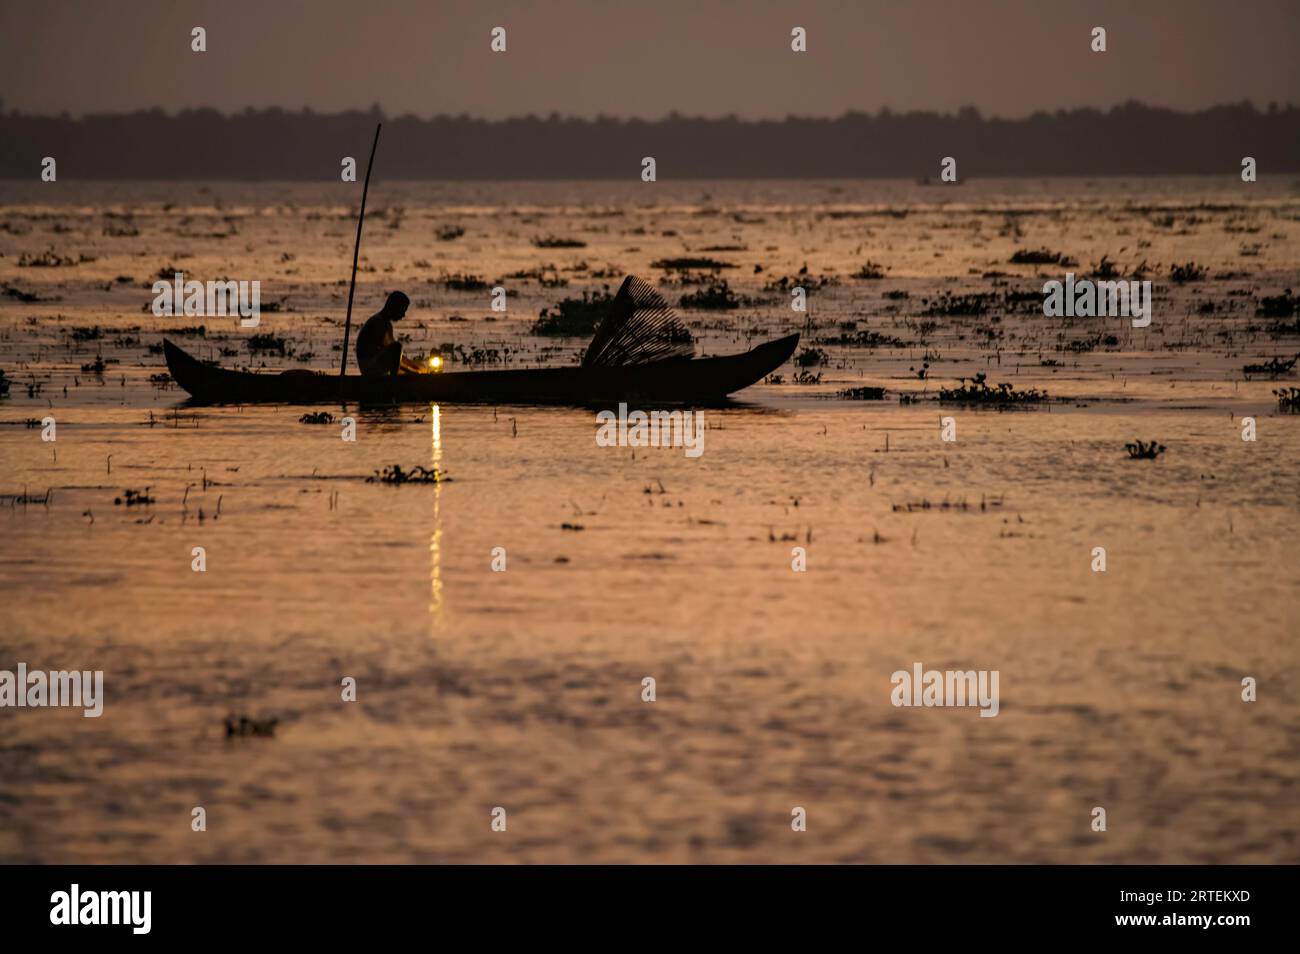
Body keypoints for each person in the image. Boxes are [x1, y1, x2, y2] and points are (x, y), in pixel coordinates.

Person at [356, 291, 424, 376]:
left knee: (399, 352)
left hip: (375, 363)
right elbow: (393, 354)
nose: (403, 315)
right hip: (369, 367)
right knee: (397, 347)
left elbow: (396, 357)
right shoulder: (378, 322)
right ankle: (393, 381)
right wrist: (409, 369)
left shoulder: (386, 323)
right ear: (394, 307)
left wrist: (413, 365)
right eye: (402, 311)